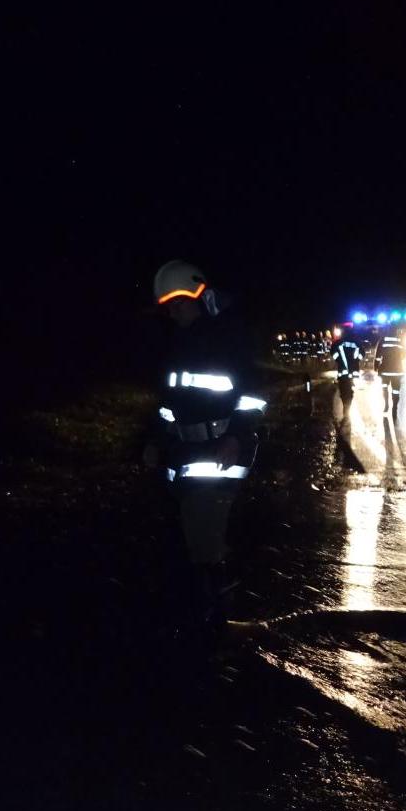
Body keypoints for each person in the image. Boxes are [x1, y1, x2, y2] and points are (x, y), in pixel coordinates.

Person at [141, 259, 266, 634]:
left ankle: (219, 622)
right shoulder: (176, 344)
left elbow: (253, 395)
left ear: (198, 296)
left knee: (207, 541)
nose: (173, 311)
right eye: (167, 306)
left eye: (178, 302)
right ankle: (207, 617)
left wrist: (235, 436)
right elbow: (168, 405)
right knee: (194, 541)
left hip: (220, 454)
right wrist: (156, 441)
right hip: (185, 455)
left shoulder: (228, 337)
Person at [375, 329, 405, 417]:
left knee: (384, 388)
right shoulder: (400, 340)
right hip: (397, 371)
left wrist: (376, 366)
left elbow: (378, 355)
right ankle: (395, 406)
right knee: (396, 390)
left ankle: (386, 404)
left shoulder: (383, 340)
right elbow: (405, 354)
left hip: (385, 370)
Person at [332, 334, 362, 419]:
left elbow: (333, 352)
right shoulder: (356, 342)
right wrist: (356, 360)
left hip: (343, 373)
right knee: (349, 391)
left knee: (343, 391)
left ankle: (346, 407)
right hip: (353, 372)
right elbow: (362, 354)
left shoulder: (339, 342)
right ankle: (347, 408)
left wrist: (338, 359)